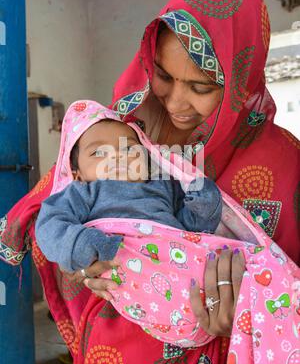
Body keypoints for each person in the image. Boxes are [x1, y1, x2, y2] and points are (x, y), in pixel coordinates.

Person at [0, 0, 299, 364]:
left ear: (239, 81)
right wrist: (81, 264)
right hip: (113, 359)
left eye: (201, 87)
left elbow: (286, 295)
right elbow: (53, 204)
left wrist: (244, 313)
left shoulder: (282, 165)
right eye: (163, 75)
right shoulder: (127, 123)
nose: (175, 103)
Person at [35, 106, 222, 274]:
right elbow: (50, 223)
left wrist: (204, 205)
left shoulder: (163, 185)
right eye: (98, 152)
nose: (117, 156)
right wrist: (79, 243)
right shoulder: (83, 192)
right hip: (123, 276)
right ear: (77, 176)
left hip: (178, 269)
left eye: (129, 149)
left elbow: (191, 230)